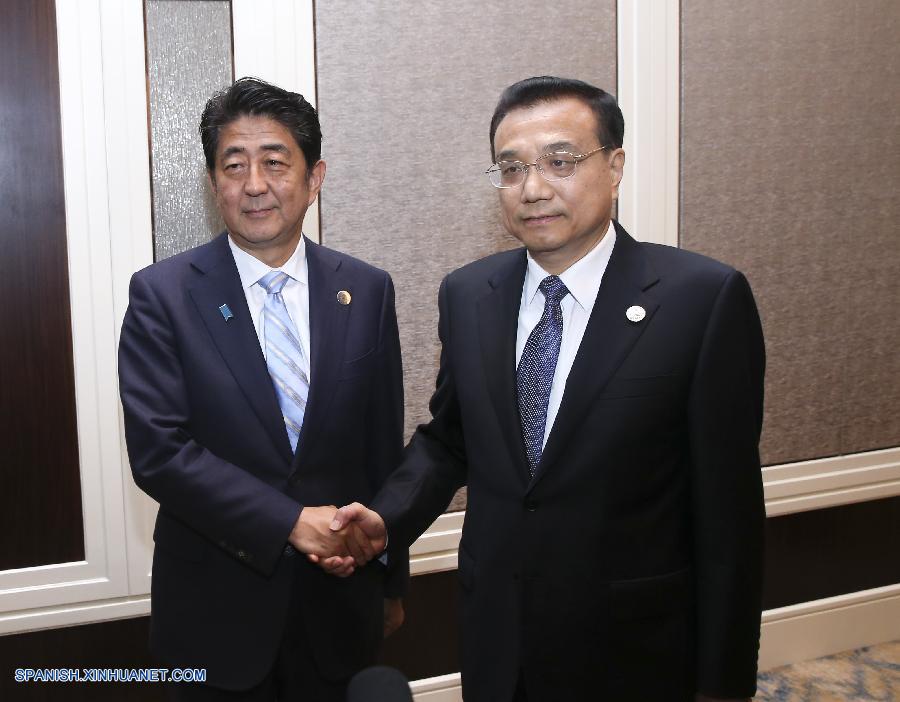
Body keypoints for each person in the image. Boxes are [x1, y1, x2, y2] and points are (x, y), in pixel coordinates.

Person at [324, 76, 766, 701]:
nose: (533, 188)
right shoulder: (469, 294)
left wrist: (723, 684)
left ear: (615, 166)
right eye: (511, 169)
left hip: (634, 647)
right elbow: (451, 439)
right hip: (498, 636)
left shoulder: (702, 299)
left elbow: (730, 516)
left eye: (560, 162)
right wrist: (385, 519)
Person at [118, 77, 407, 701]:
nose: (255, 184)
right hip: (214, 615)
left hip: (339, 605)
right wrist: (287, 522)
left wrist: (390, 579)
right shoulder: (163, 295)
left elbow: (383, 445)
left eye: (275, 162)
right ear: (213, 181)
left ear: (314, 176)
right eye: (234, 165)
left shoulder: (367, 289)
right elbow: (160, 453)